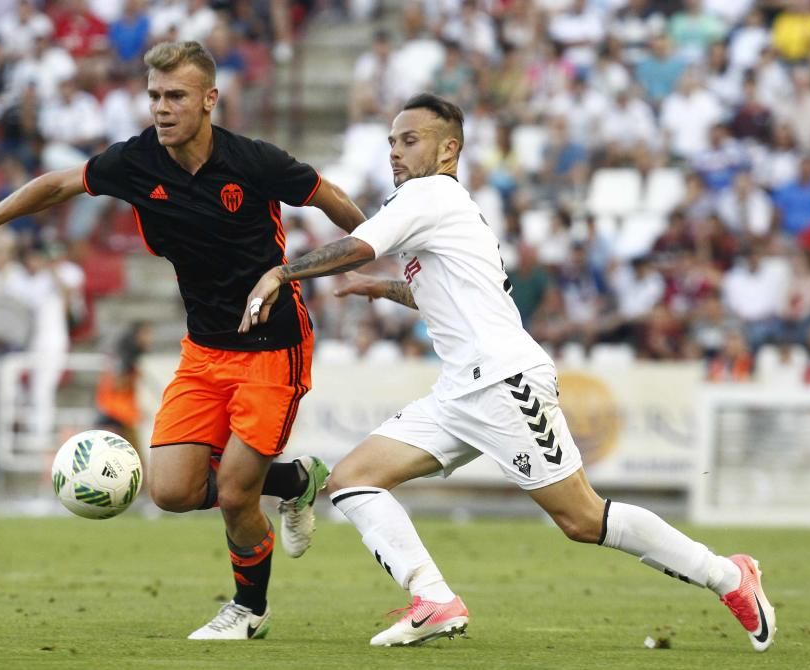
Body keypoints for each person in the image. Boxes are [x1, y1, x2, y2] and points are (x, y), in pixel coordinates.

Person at [240, 93, 776, 651]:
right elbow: (458, 300)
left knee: (582, 520)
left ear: (449, 150)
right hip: (458, 391)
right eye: (392, 142)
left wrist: (281, 273)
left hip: (502, 382)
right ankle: (433, 599)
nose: (396, 152)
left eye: (410, 140)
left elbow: (359, 245)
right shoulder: (442, 209)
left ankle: (729, 576)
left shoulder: (429, 195)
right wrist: (385, 289)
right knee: (352, 480)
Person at [0, 41, 367, 640]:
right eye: (155, 95)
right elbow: (58, 186)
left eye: (176, 96)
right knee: (171, 490)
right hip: (204, 349)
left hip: (273, 346)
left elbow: (328, 196)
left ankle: (248, 610)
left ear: (209, 100)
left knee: (237, 493)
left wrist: (375, 245)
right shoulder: (137, 161)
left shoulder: (254, 161)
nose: (162, 108)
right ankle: (296, 480)